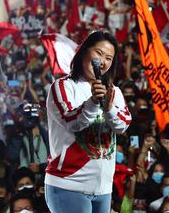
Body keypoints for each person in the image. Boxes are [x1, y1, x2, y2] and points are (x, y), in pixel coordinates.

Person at [44, 30, 132, 213]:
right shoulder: (62, 87)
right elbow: (72, 122)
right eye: (99, 53)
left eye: (109, 58)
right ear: (84, 51)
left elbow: (122, 125)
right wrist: (93, 102)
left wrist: (108, 108)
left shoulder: (113, 91)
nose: (103, 61)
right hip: (68, 184)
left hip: (103, 189)